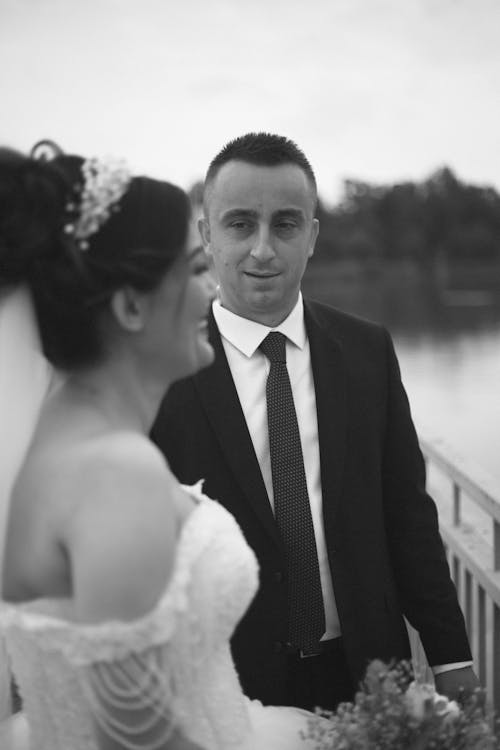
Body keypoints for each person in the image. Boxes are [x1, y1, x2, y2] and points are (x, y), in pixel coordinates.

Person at [0, 143, 321, 749]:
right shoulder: (116, 472)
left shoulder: (61, 442)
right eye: (196, 269)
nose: (212, 292)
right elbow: (133, 735)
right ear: (129, 306)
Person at [151, 132, 479, 712]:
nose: (262, 250)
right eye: (239, 224)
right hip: (224, 688)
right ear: (205, 235)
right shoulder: (161, 370)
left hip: (370, 675)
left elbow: (406, 512)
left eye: (284, 224)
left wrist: (452, 656)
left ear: (312, 237)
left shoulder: (367, 350)